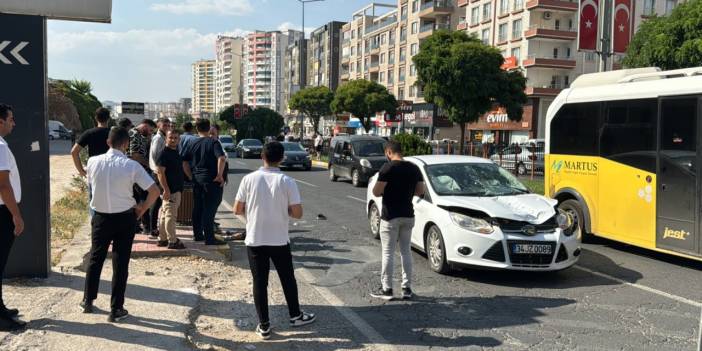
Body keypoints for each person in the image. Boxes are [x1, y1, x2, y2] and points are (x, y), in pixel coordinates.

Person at [234, 141, 316, 340]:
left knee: (260, 283)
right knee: (288, 279)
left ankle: (264, 325)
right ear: (281, 158)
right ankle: (295, 315)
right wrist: (283, 210)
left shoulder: (248, 179)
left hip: (255, 238)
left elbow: (237, 209)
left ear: (262, 156)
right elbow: (297, 213)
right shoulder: (287, 181)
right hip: (279, 239)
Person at [81, 127, 160, 322]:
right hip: (125, 217)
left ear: (108, 142)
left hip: (100, 217)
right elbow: (154, 191)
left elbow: (91, 183)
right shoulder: (132, 166)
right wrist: (142, 208)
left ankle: (88, 300)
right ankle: (116, 308)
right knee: (120, 262)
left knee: (95, 257)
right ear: (126, 144)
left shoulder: (92, 162)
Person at [370, 140, 424, 300]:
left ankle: (387, 289)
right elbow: (420, 191)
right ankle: (406, 289)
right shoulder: (414, 168)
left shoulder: (388, 168)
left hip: (390, 216)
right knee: (406, 251)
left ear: (388, 152)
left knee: (388, 252)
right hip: (408, 215)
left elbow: (376, 191)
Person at [0, 104, 26, 331]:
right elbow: (3, 185)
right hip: (2, 212)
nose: (13, 123)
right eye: (10, 119)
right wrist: (16, 216)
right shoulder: (0, 146)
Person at [181, 119, 226, 245]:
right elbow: (221, 158)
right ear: (209, 128)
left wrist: (191, 176)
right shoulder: (214, 142)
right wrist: (219, 175)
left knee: (198, 208)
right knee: (209, 209)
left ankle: (198, 235)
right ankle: (210, 238)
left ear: (197, 129)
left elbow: (184, 162)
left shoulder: (192, 143)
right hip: (211, 180)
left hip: (197, 179)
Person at [156, 130, 186, 250]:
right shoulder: (164, 153)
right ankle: (172, 241)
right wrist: (166, 189)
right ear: (166, 139)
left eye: (175, 138)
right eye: (171, 137)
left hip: (175, 189)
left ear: (179, 140)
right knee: (170, 216)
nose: (173, 140)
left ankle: (162, 239)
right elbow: (160, 173)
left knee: (165, 215)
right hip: (170, 190)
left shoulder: (176, 152)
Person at [128, 120, 155, 234]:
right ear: (144, 125)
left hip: (137, 172)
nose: (150, 132)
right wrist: (150, 165)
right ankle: (146, 226)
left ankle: (137, 225)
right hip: (136, 173)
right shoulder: (134, 134)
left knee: (137, 199)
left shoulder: (140, 135)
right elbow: (135, 155)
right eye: (150, 129)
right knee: (143, 199)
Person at [147, 118, 172, 238]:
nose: (167, 126)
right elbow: (157, 157)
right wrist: (160, 173)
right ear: (158, 125)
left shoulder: (162, 137)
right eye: (165, 124)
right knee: (156, 202)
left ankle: (155, 228)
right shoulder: (158, 138)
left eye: (168, 124)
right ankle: (153, 229)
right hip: (157, 173)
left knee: (158, 202)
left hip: (159, 173)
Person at [71, 107, 111, 177]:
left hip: (94, 171)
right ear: (108, 119)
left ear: (96, 118)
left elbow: (74, 151)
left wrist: (81, 171)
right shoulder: (114, 134)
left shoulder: (89, 133)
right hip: (110, 171)